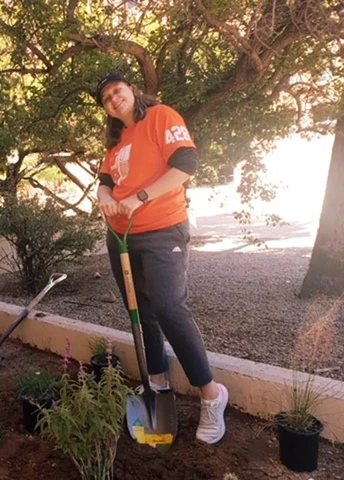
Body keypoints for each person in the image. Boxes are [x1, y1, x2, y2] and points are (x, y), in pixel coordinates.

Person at [94, 73, 228, 444]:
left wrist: (140, 197)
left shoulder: (161, 116)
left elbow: (185, 163)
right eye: (106, 98)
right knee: (141, 311)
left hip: (161, 230)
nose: (113, 100)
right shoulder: (116, 141)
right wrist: (105, 195)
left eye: (117, 91)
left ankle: (212, 396)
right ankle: (156, 382)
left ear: (132, 91)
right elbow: (106, 178)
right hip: (120, 236)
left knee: (169, 307)